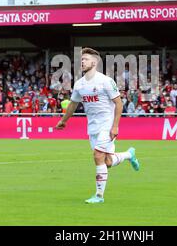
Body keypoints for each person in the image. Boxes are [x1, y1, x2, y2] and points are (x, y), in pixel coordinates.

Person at [55, 47, 140, 204]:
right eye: (81, 60)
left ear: (94, 62)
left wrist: (115, 126)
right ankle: (129, 155)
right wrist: (64, 120)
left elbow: (119, 103)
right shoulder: (80, 84)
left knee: (97, 156)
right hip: (92, 127)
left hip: (106, 125)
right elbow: (73, 104)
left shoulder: (106, 81)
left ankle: (99, 196)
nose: (82, 62)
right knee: (106, 162)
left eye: (85, 59)